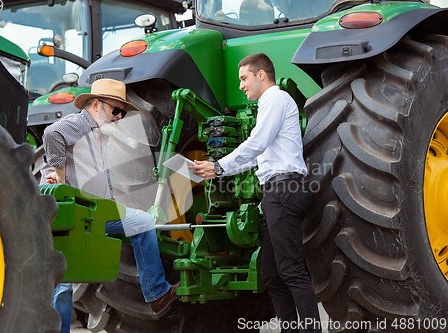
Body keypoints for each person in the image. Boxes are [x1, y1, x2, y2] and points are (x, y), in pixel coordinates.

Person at [188, 53, 321, 333]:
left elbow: (257, 142)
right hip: (275, 193)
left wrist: (220, 164)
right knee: (272, 275)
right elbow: (257, 155)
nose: (240, 86)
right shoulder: (269, 104)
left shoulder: (275, 98)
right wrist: (217, 170)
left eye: (244, 78)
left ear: (262, 75)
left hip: (283, 190)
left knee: (292, 270)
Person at [40, 79, 180, 332]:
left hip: (95, 212)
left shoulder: (100, 134)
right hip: (72, 213)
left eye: (123, 113)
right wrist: (59, 176)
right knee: (62, 282)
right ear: (96, 104)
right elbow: (51, 134)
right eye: (116, 110)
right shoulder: (79, 124)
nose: (119, 116)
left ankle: (157, 294)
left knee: (143, 221)